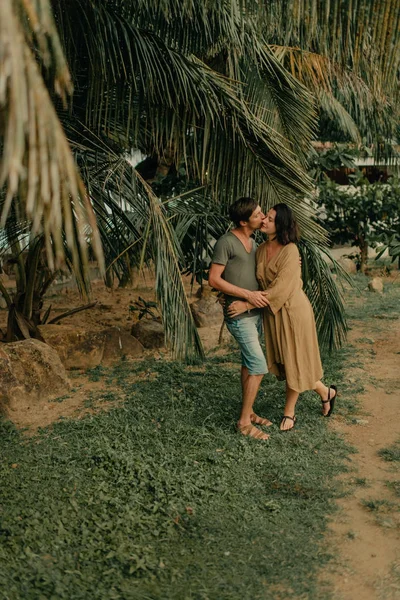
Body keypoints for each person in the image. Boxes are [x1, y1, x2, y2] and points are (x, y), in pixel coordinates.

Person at [227, 203, 337, 431]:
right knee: (287, 361)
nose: (264, 220)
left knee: (295, 360)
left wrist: (246, 304)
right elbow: (252, 278)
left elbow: (281, 288)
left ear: (281, 225)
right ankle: (327, 392)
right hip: (274, 313)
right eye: (265, 216)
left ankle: (289, 412)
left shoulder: (291, 251)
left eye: (270, 218)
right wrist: (227, 294)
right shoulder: (260, 249)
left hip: (293, 311)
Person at [209, 197, 272, 441]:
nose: (263, 216)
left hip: (254, 313)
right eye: (258, 214)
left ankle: (250, 412)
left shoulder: (254, 243)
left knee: (248, 363)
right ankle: (244, 423)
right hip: (239, 314)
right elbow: (214, 279)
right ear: (244, 221)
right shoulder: (226, 242)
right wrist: (246, 294)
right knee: (258, 365)